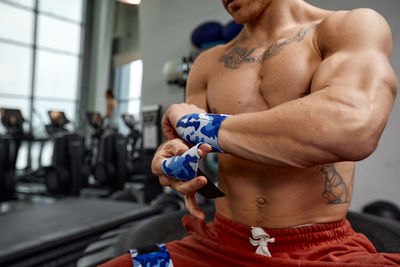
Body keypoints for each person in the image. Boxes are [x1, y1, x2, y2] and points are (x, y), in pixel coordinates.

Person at [102, 0, 400, 266]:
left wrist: (198, 125)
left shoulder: (347, 27)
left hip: (322, 249)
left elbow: (351, 126)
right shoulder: (208, 63)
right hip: (217, 244)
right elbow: (185, 144)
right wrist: (171, 159)